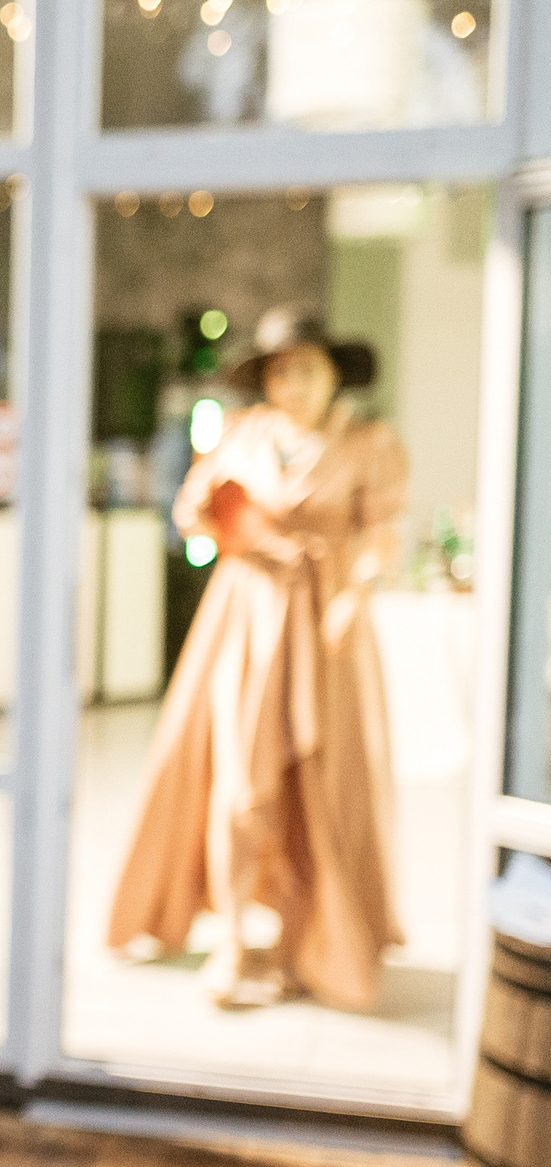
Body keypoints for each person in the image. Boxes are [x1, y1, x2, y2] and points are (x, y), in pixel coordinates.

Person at [106, 306, 407, 1011]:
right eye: (279, 370)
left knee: (325, 784)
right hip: (244, 619)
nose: (292, 382)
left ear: (335, 373)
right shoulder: (240, 434)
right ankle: (236, 935)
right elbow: (190, 514)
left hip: (327, 624)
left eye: (306, 368)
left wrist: (351, 593)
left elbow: (383, 533)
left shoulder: (369, 441)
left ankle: (316, 936)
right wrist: (220, 515)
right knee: (240, 777)